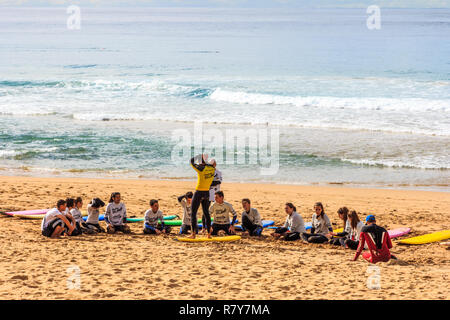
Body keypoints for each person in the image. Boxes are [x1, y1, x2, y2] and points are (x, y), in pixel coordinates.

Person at [189, 154, 215, 239]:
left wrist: (198, 156)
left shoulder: (201, 169)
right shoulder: (212, 169)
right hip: (207, 193)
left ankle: (193, 234)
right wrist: (204, 159)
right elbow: (210, 164)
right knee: (206, 213)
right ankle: (209, 234)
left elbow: (191, 162)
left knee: (193, 213)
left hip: (199, 192)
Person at [202, 158, 222, 232]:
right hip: (209, 192)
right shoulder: (207, 172)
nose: (211, 166)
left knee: (219, 208)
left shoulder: (218, 172)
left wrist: (210, 183)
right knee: (206, 209)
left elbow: (219, 182)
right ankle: (204, 227)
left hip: (217, 193)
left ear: (215, 164)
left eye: (212, 165)